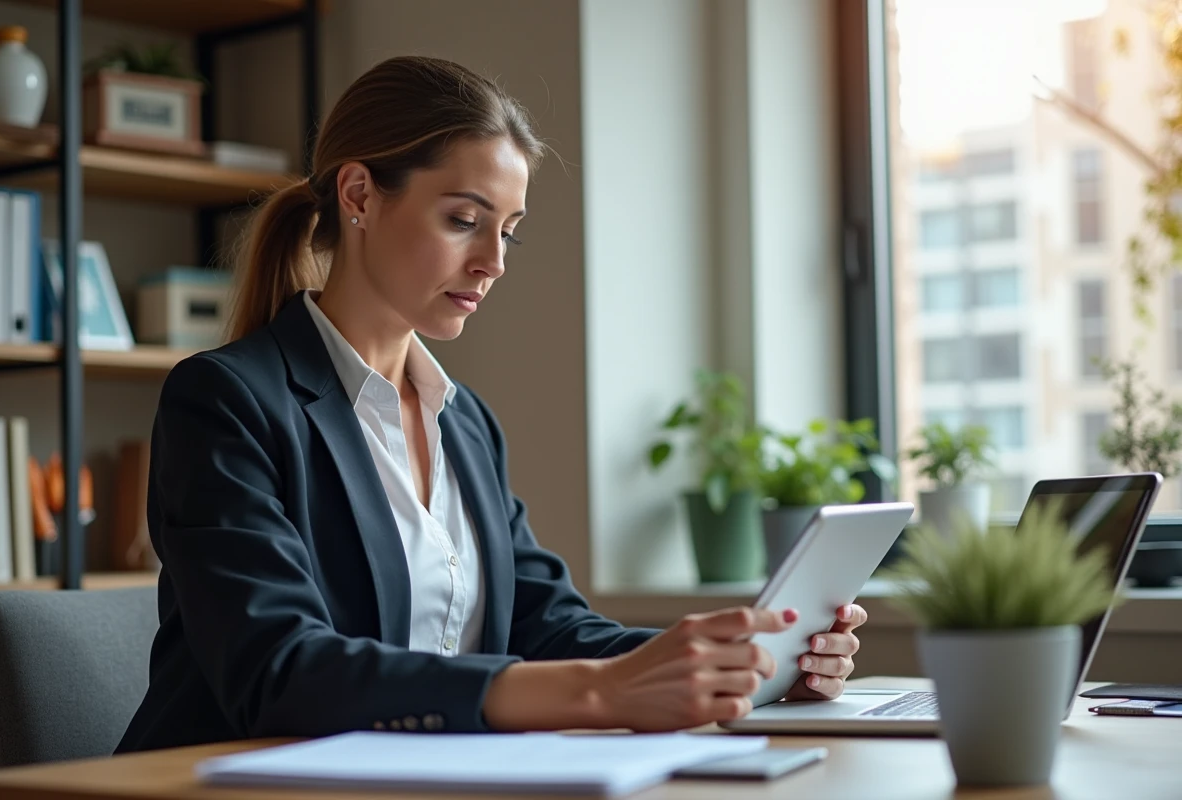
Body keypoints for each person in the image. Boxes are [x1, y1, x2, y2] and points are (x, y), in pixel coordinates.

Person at [116, 55, 868, 753]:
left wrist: (739, 662)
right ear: (358, 196)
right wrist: (600, 693)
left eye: (507, 231)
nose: (494, 262)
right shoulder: (226, 401)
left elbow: (546, 625)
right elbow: (281, 671)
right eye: (463, 220)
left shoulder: (462, 419)